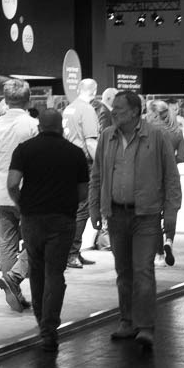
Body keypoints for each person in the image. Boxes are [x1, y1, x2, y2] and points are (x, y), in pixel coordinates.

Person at [95, 89, 182, 354]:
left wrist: (171, 214)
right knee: (123, 272)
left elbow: (171, 177)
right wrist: (96, 208)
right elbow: (97, 175)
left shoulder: (156, 136)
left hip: (146, 214)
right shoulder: (107, 136)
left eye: (119, 109)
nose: (113, 113)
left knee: (143, 270)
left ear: (134, 111)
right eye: (113, 108)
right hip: (116, 214)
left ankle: (145, 326)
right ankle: (127, 321)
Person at [10, 108, 90, 352]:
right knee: (55, 274)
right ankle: (49, 328)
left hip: (32, 219)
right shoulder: (75, 153)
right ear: (61, 127)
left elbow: (12, 183)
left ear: (39, 126)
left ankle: (41, 323)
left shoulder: (24, 149)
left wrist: (21, 204)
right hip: (62, 220)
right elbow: (83, 192)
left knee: (36, 271)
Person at [0, 79, 39, 312]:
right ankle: (15, 277)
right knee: (38, 240)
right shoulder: (33, 126)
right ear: (28, 99)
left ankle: (13, 289)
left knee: (7, 242)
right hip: (29, 193)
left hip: (1, 193)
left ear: (5, 99)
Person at [60, 78, 102, 269]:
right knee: (83, 208)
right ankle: (72, 253)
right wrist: (102, 165)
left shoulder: (69, 108)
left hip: (67, 161)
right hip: (83, 163)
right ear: (94, 90)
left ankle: (71, 251)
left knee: (72, 208)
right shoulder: (87, 110)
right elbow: (91, 142)